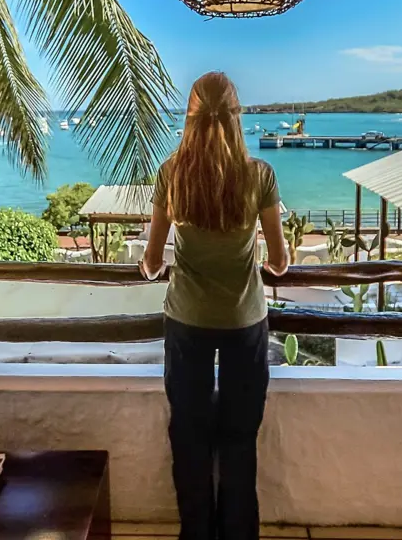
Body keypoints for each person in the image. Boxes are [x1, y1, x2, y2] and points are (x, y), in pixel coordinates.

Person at [140, 71, 289, 540]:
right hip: (245, 321)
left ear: (190, 115)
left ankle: (197, 533)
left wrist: (154, 270)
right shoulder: (259, 175)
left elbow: (150, 261)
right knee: (240, 436)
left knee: (189, 433)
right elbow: (281, 263)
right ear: (236, 115)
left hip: (187, 320)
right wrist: (260, 259)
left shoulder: (171, 173)